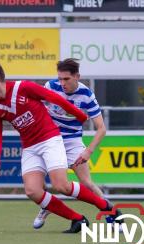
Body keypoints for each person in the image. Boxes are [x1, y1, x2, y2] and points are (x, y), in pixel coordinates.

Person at [0, 63, 121, 233]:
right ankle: (77, 220)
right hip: (30, 147)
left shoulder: (23, 87)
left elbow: (55, 99)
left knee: (62, 186)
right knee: (33, 191)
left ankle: (107, 207)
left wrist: (79, 115)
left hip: (50, 139)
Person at [33, 58, 114, 229]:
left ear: (77, 76)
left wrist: (88, 151)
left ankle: (111, 215)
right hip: (49, 138)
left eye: (66, 79)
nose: (62, 83)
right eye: (60, 79)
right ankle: (46, 206)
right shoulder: (51, 86)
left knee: (86, 183)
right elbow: (36, 106)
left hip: (72, 141)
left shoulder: (87, 95)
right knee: (39, 181)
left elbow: (101, 128)